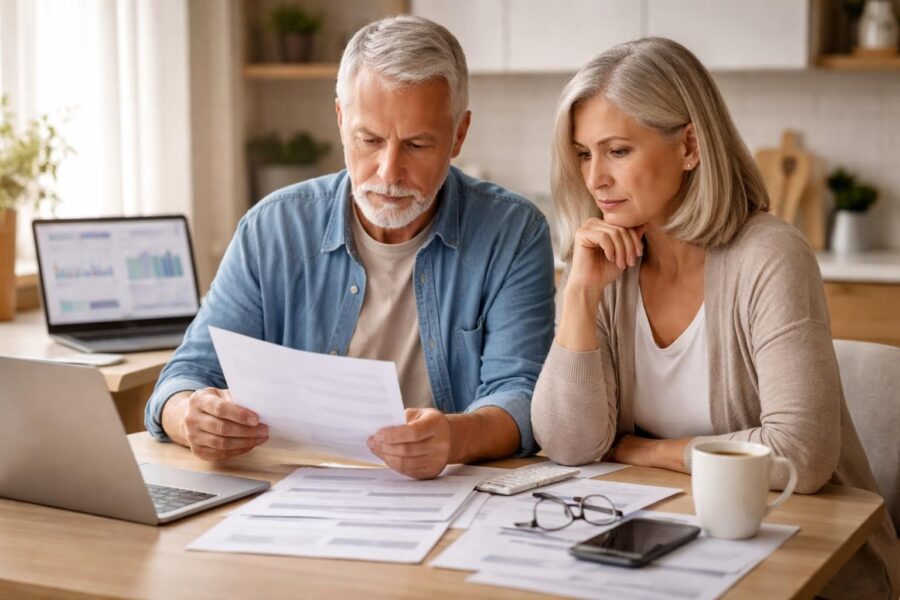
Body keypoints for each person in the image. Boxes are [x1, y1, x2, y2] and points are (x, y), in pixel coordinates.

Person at [531, 37, 899, 599]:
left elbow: (801, 453)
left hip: (806, 566)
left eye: (618, 151)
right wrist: (580, 292)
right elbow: (569, 443)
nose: (594, 179)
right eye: (584, 153)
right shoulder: (605, 264)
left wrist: (643, 449)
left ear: (690, 146)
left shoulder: (769, 256)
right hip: (661, 555)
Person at [145, 15, 555, 480]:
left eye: (418, 144)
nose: (388, 171)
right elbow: (184, 377)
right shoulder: (272, 229)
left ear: (459, 134)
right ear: (341, 120)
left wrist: (456, 437)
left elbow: (521, 395)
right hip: (292, 491)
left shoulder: (514, 233)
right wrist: (189, 417)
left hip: (447, 493)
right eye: (370, 140)